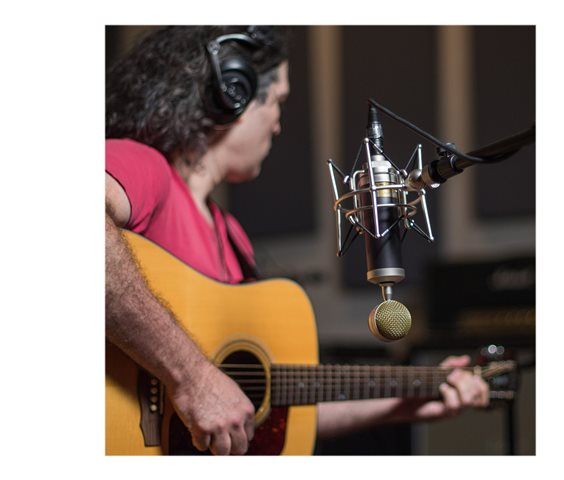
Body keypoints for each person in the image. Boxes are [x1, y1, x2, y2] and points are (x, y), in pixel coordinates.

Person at [105, 25, 489, 456]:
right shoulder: (145, 167)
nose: (278, 124)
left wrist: (411, 398)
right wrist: (191, 376)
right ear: (234, 96)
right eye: (277, 101)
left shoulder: (232, 236)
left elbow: (266, 405)